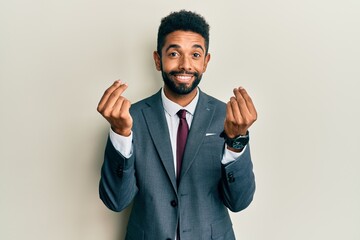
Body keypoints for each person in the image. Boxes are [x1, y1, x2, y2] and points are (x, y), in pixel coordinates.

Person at [97, 10, 257, 240]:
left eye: (195, 54)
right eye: (174, 53)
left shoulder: (229, 117)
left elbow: (239, 202)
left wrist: (236, 142)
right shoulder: (130, 118)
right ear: (157, 59)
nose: (185, 65)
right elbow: (116, 201)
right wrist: (120, 134)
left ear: (205, 62)